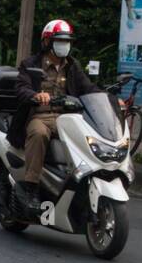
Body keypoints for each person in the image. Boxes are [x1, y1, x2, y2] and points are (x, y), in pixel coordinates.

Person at [8, 18, 99, 215]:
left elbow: (88, 89)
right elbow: (21, 88)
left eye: (67, 41)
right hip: (39, 116)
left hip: (67, 118)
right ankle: (30, 187)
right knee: (39, 134)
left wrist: (111, 99)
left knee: (87, 138)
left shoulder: (72, 66)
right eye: (60, 41)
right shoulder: (30, 64)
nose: (64, 45)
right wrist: (35, 95)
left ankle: (79, 182)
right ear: (47, 42)